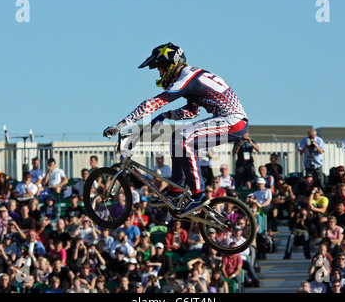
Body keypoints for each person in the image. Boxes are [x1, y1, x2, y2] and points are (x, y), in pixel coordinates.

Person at [103, 42, 249, 218]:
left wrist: (122, 124)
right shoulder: (193, 76)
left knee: (182, 138)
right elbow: (192, 111)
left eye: (160, 69)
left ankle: (197, 195)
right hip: (231, 120)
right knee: (176, 139)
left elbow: (154, 102)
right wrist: (168, 115)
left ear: (171, 66)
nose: (159, 74)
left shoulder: (186, 79)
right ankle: (175, 190)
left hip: (231, 120)